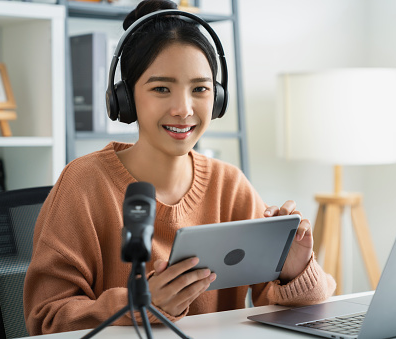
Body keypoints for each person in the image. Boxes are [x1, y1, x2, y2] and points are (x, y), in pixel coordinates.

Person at [23, 0, 336, 335]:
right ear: (125, 99)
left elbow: (304, 315)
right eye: (161, 88)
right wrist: (136, 304)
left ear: (216, 99)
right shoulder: (83, 184)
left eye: (199, 89)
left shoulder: (229, 185)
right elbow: (45, 319)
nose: (184, 109)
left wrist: (294, 272)